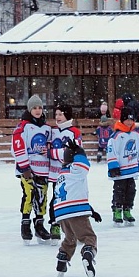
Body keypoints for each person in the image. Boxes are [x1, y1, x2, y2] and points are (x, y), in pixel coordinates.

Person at [52, 139, 103, 277]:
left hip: (61, 212)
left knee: (70, 238)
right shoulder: (76, 170)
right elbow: (83, 164)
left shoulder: (61, 175)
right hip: (75, 210)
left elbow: (72, 193)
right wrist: (80, 152)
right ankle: (87, 254)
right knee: (89, 237)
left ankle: (62, 259)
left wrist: (90, 210)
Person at [11, 95, 52, 244]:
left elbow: (50, 147)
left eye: (40, 107)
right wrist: (24, 167)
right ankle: (25, 224)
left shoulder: (47, 128)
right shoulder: (23, 127)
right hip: (28, 169)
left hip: (43, 169)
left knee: (42, 197)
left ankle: (39, 224)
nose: (37, 110)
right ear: (29, 109)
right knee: (29, 195)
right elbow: (17, 147)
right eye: (34, 107)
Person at [47, 104, 83, 243]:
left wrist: (52, 153)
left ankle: (75, 228)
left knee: (71, 199)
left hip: (70, 173)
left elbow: (72, 152)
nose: (57, 117)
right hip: (56, 173)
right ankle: (54, 224)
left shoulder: (74, 132)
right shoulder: (54, 131)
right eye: (56, 114)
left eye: (60, 114)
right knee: (56, 199)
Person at [106, 107, 139, 226]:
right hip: (120, 170)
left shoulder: (135, 134)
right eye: (127, 119)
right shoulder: (116, 136)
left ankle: (127, 209)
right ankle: (117, 210)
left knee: (131, 191)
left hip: (132, 169)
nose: (129, 122)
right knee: (119, 191)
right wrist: (113, 166)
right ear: (122, 120)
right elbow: (111, 151)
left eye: (131, 120)